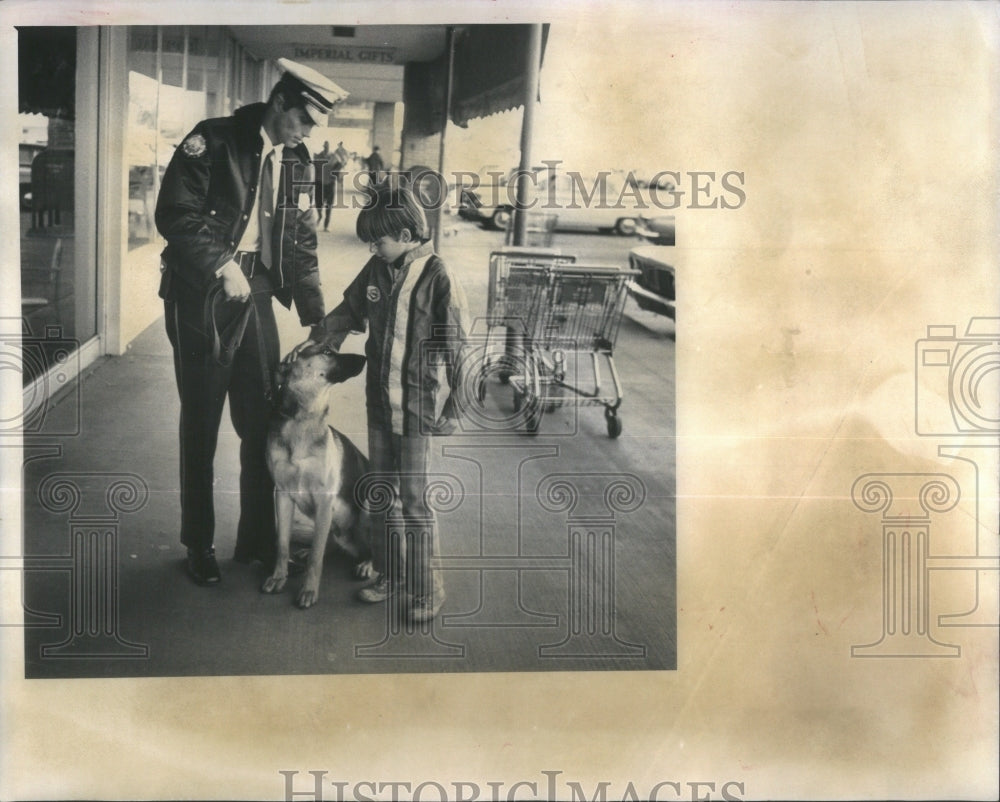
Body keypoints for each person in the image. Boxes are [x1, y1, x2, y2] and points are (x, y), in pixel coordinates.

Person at [155, 58, 348, 586]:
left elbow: (301, 243)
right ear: (280, 102)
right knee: (201, 420)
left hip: (256, 291)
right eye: (305, 119)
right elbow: (174, 213)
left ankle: (258, 539)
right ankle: (199, 543)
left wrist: (316, 316)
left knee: (261, 417)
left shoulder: (298, 161)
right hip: (201, 294)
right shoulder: (212, 141)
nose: (309, 132)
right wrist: (221, 265)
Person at [300, 179, 469, 622]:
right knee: (382, 497)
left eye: (379, 241)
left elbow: (459, 349)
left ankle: (428, 590)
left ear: (407, 237)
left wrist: (455, 407)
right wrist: (316, 341)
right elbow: (347, 312)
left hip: (417, 414)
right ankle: (390, 573)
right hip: (379, 408)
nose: (374, 248)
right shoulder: (377, 269)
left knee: (414, 504)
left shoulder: (437, 275)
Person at [313, 140, 336, 232]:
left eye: (328, 146)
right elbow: (313, 170)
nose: (327, 148)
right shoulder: (318, 157)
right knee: (318, 204)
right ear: (323, 147)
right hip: (319, 184)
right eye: (325, 146)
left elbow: (339, 170)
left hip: (330, 184)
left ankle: (326, 225)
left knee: (329, 206)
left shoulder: (334, 158)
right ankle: (320, 216)